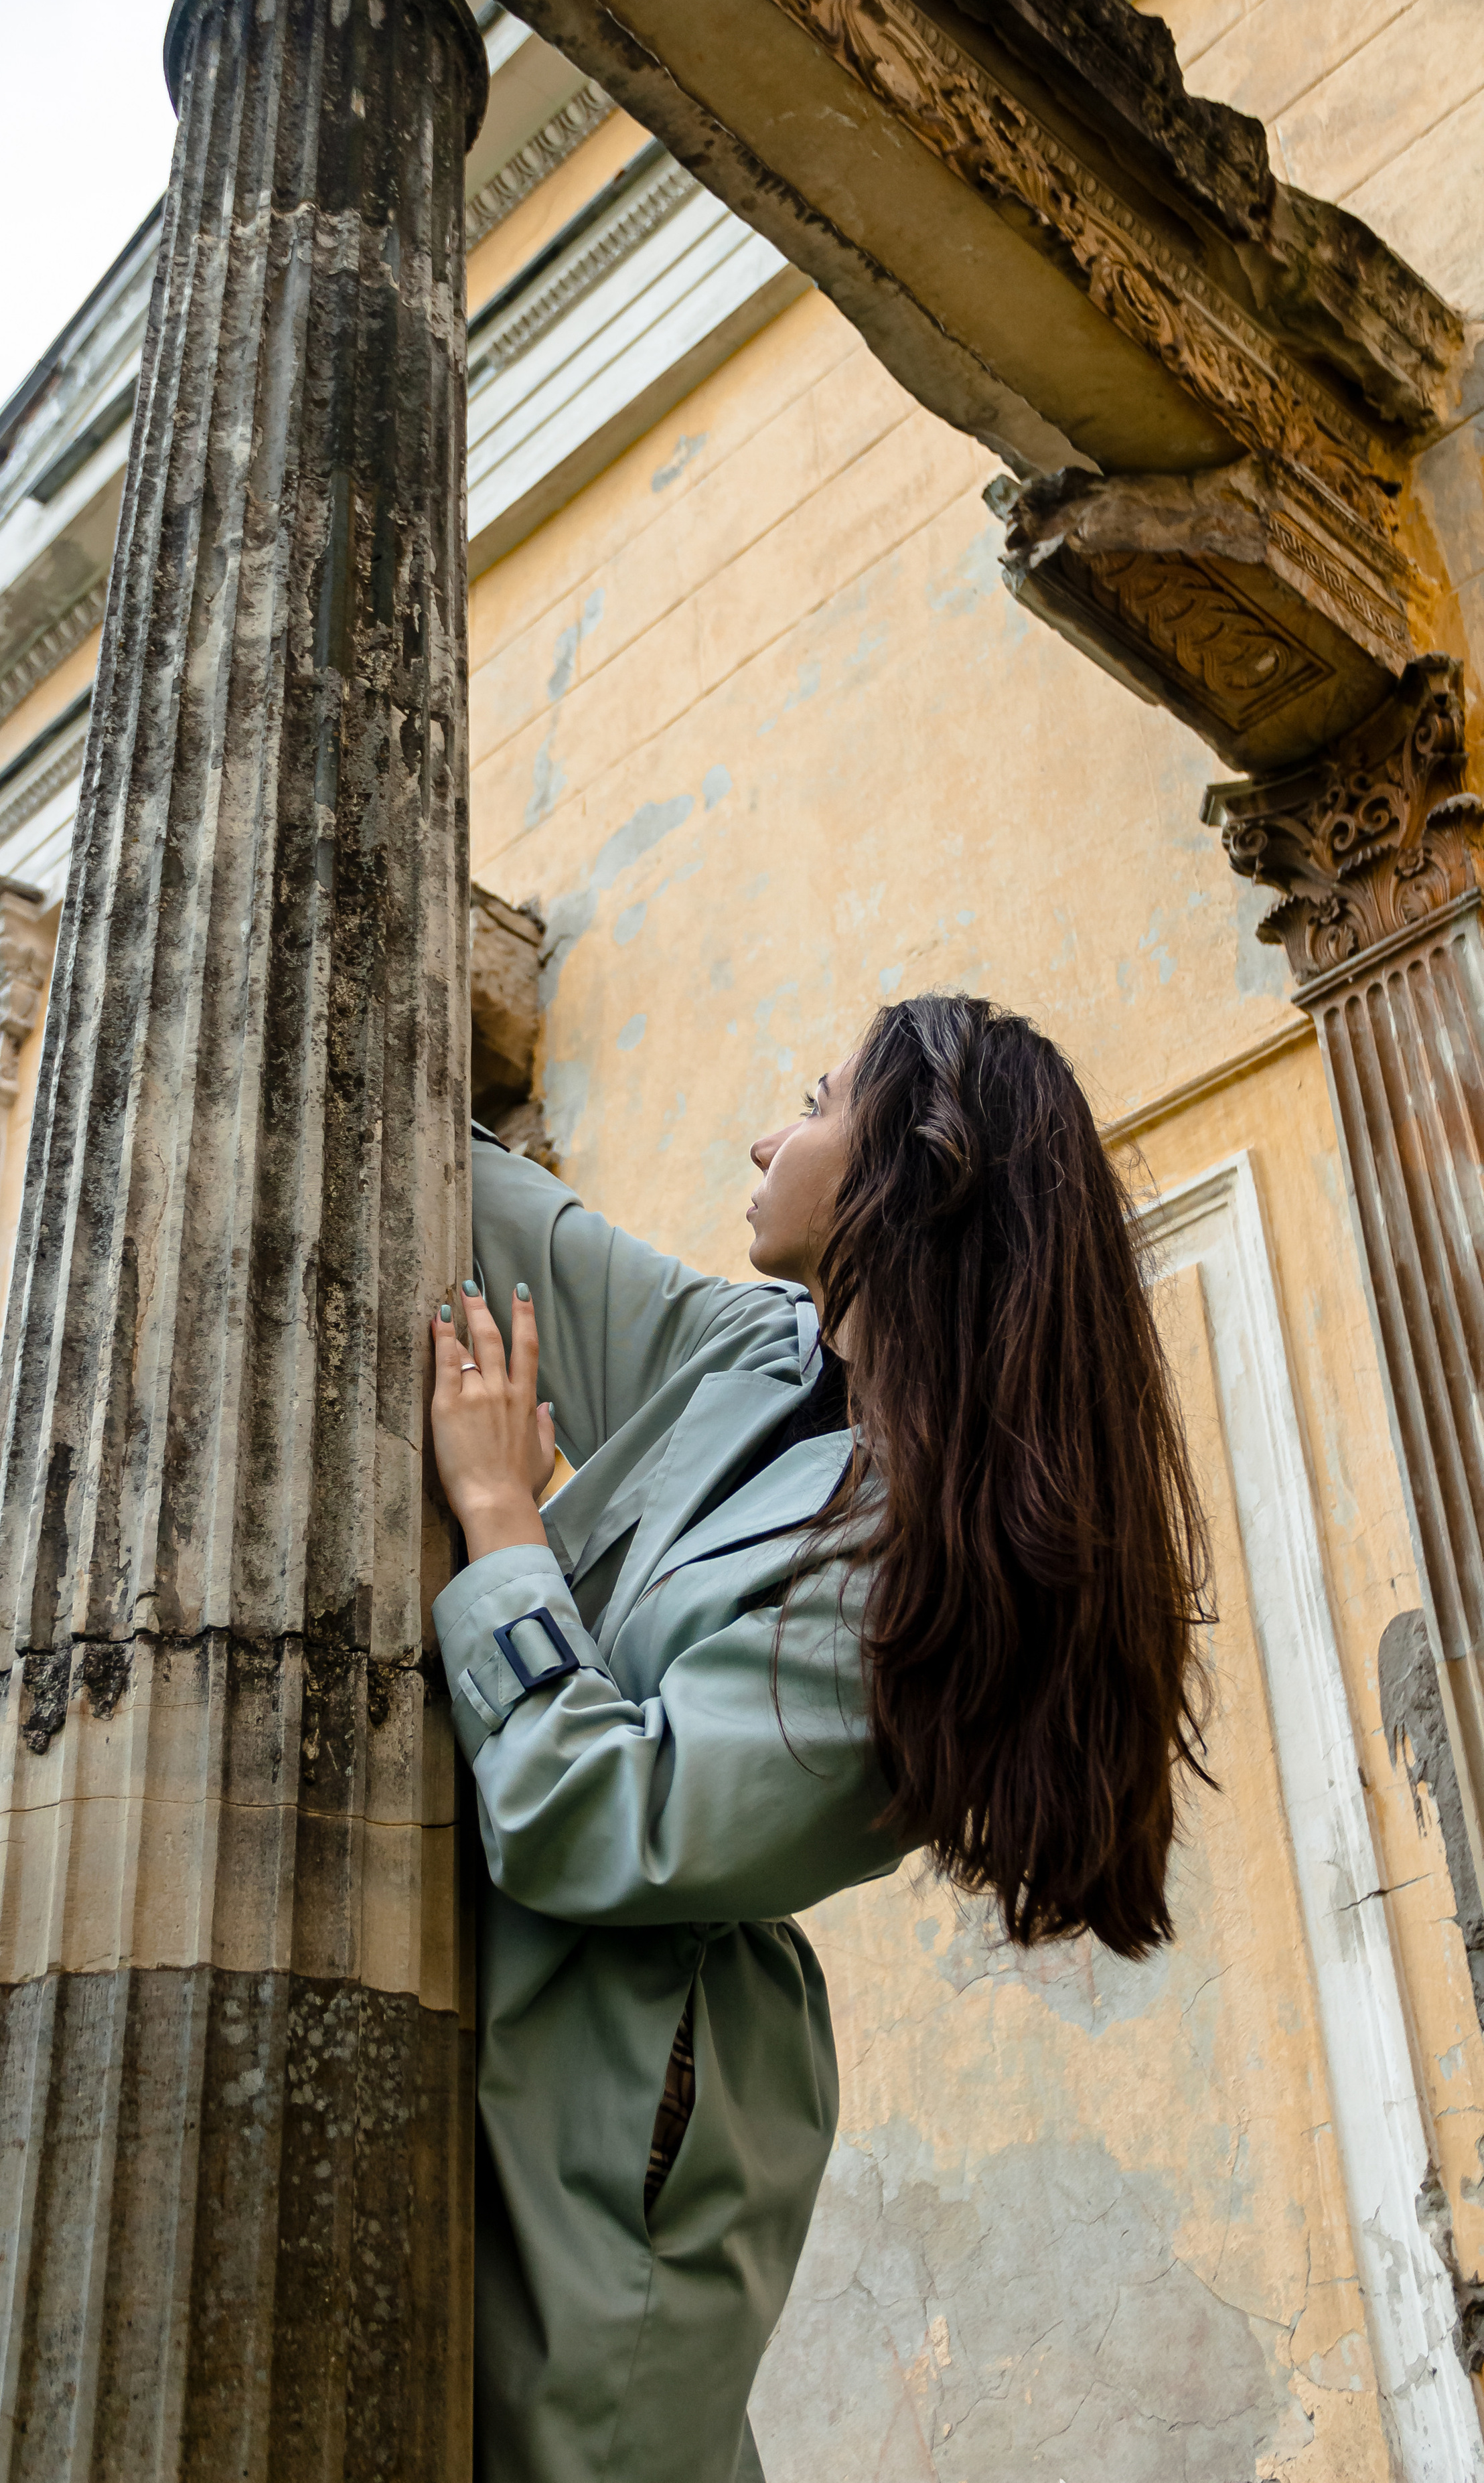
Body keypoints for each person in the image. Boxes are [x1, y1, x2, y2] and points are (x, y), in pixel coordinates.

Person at [429, 992, 1211, 2483]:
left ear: (915, 1162)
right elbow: (497, 1214)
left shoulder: (937, 1574)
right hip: (481, 2049)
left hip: (619, 2135)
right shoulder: (751, 1357)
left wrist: (500, 1525)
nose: (763, 1132)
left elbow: (601, 1813)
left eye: (809, 1098)